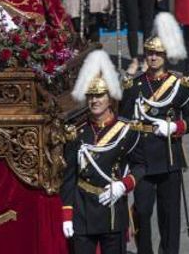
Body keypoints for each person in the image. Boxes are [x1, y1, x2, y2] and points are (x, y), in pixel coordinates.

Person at [118, 13, 189, 254]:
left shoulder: (179, 85)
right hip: (141, 159)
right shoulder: (134, 86)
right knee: (142, 211)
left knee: (169, 215)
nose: (153, 57)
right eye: (149, 53)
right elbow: (123, 122)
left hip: (168, 156)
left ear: (165, 56)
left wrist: (175, 127)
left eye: (158, 53)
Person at [61, 50, 146, 254]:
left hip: (112, 209)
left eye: (99, 95)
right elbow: (69, 178)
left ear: (109, 98)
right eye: (90, 96)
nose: (94, 101)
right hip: (83, 211)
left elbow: (141, 166)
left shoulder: (126, 131)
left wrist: (124, 185)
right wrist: (67, 215)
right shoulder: (78, 133)